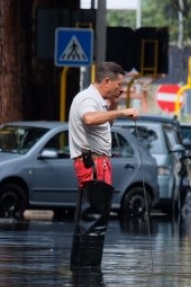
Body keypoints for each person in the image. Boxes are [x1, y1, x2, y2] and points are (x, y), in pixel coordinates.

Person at [68, 61, 139, 269]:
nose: (121, 89)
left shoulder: (98, 100)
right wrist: (122, 112)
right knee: (93, 219)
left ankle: (84, 266)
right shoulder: (88, 98)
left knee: (92, 217)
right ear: (106, 81)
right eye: (119, 85)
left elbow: (104, 125)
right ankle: (87, 269)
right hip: (93, 164)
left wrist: (114, 105)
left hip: (98, 162)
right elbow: (89, 119)